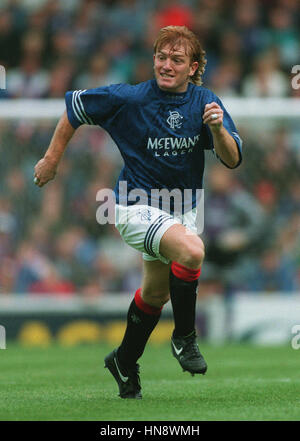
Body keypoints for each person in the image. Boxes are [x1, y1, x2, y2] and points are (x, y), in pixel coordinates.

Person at [34, 26, 242, 399]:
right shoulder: (128, 97)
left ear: (192, 67)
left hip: (183, 211)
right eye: (161, 57)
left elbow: (232, 159)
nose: (166, 65)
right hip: (135, 205)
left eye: (176, 60)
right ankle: (184, 338)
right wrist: (51, 159)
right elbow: (74, 109)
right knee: (193, 251)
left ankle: (124, 361)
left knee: (156, 294)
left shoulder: (206, 103)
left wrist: (219, 131)